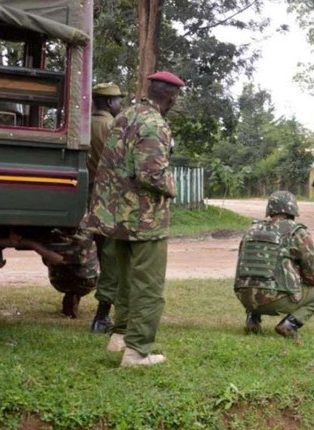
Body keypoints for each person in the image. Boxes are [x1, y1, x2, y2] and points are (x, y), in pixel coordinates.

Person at [83, 71, 185, 367]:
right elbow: (150, 174)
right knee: (148, 286)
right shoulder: (155, 124)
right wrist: (172, 186)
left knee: (125, 280)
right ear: (172, 96)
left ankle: (120, 336)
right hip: (144, 219)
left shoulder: (125, 116)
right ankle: (137, 351)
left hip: (115, 215)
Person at [234, 191, 314, 340]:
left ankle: (252, 319)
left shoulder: (251, 230)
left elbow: (244, 265)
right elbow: (312, 274)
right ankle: (290, 324)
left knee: (257, 275)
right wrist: (300, 279)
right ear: (292, 209)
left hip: (245, 297)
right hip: (276, 300)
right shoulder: (297, 232)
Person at [88, 82, 125, 334]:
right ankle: (101, 317)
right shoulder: (111, 127)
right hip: (109, 198)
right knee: (112, 258)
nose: (120, 105)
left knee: (99, 253)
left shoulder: (84, 123)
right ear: (110, 103)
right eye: (118, 101)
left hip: (89, 195)